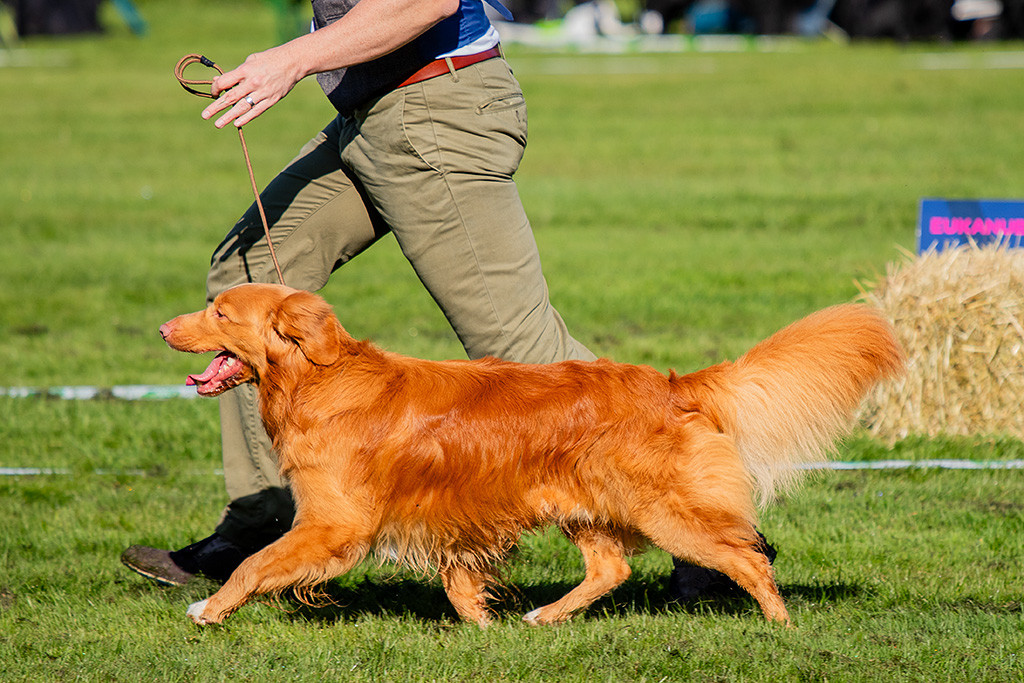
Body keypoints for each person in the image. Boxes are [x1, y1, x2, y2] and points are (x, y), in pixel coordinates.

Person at [121, 0, 773, 602]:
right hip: (367, 115)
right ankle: (264, 521)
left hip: (437, 109)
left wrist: (291, 57)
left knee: (527, 357)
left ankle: (701, 525)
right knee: (247, 269)